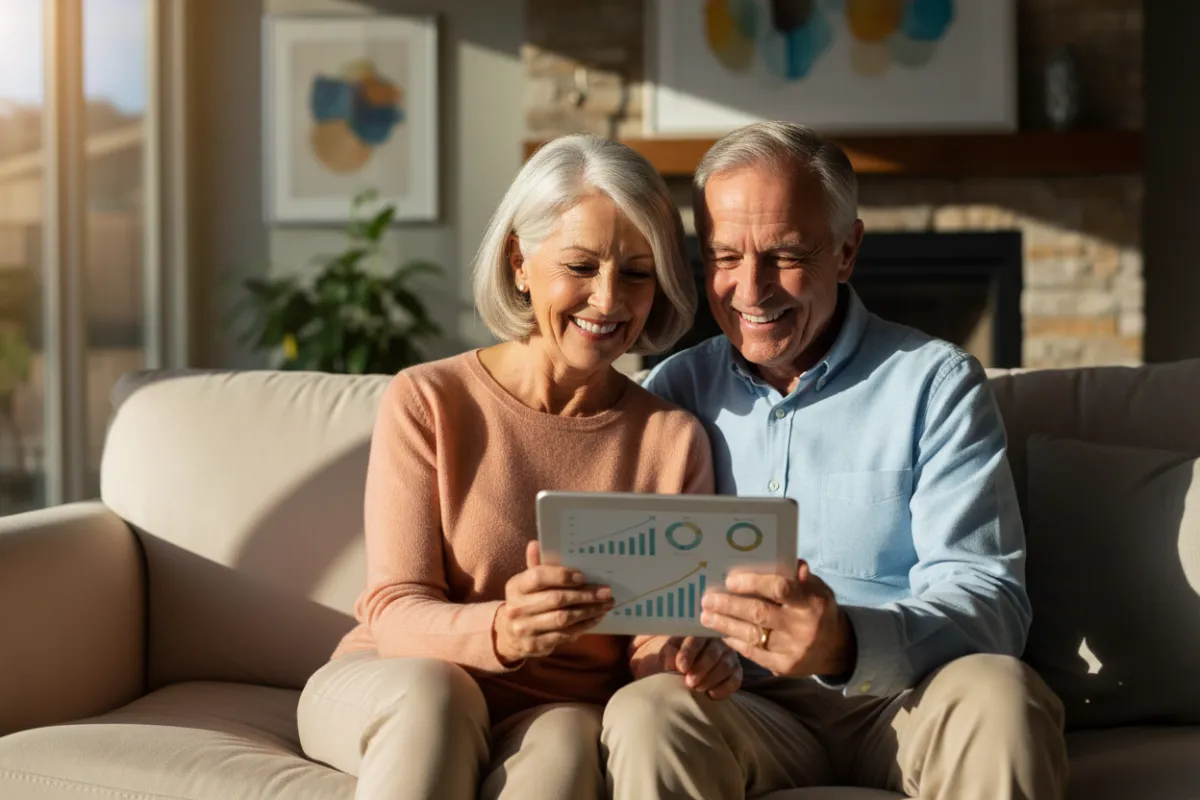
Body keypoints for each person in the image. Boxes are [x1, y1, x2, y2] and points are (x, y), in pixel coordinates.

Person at [601, 122, 1069, 799]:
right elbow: (645, 587)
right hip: (742, 709)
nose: (750, 290)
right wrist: (667, 644)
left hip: (907, 702)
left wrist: (845, 644)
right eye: (726, 257)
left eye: (785, 255)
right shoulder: (673, 391)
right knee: (646, 713)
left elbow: (992, 603)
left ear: (848, 249)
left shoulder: (934, 384)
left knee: (1000, 693)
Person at [295, 133, 742, 800]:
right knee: (437, 697)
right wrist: (503, 629)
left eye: (638, 272)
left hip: (554, 711)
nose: (609, 299)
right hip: (397, 680)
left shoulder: (673, 440)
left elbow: (651, 638)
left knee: (566, 744)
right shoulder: (429, 401)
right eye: (581, 265)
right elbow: (393, 608)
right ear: (520, 261)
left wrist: (685, 656)